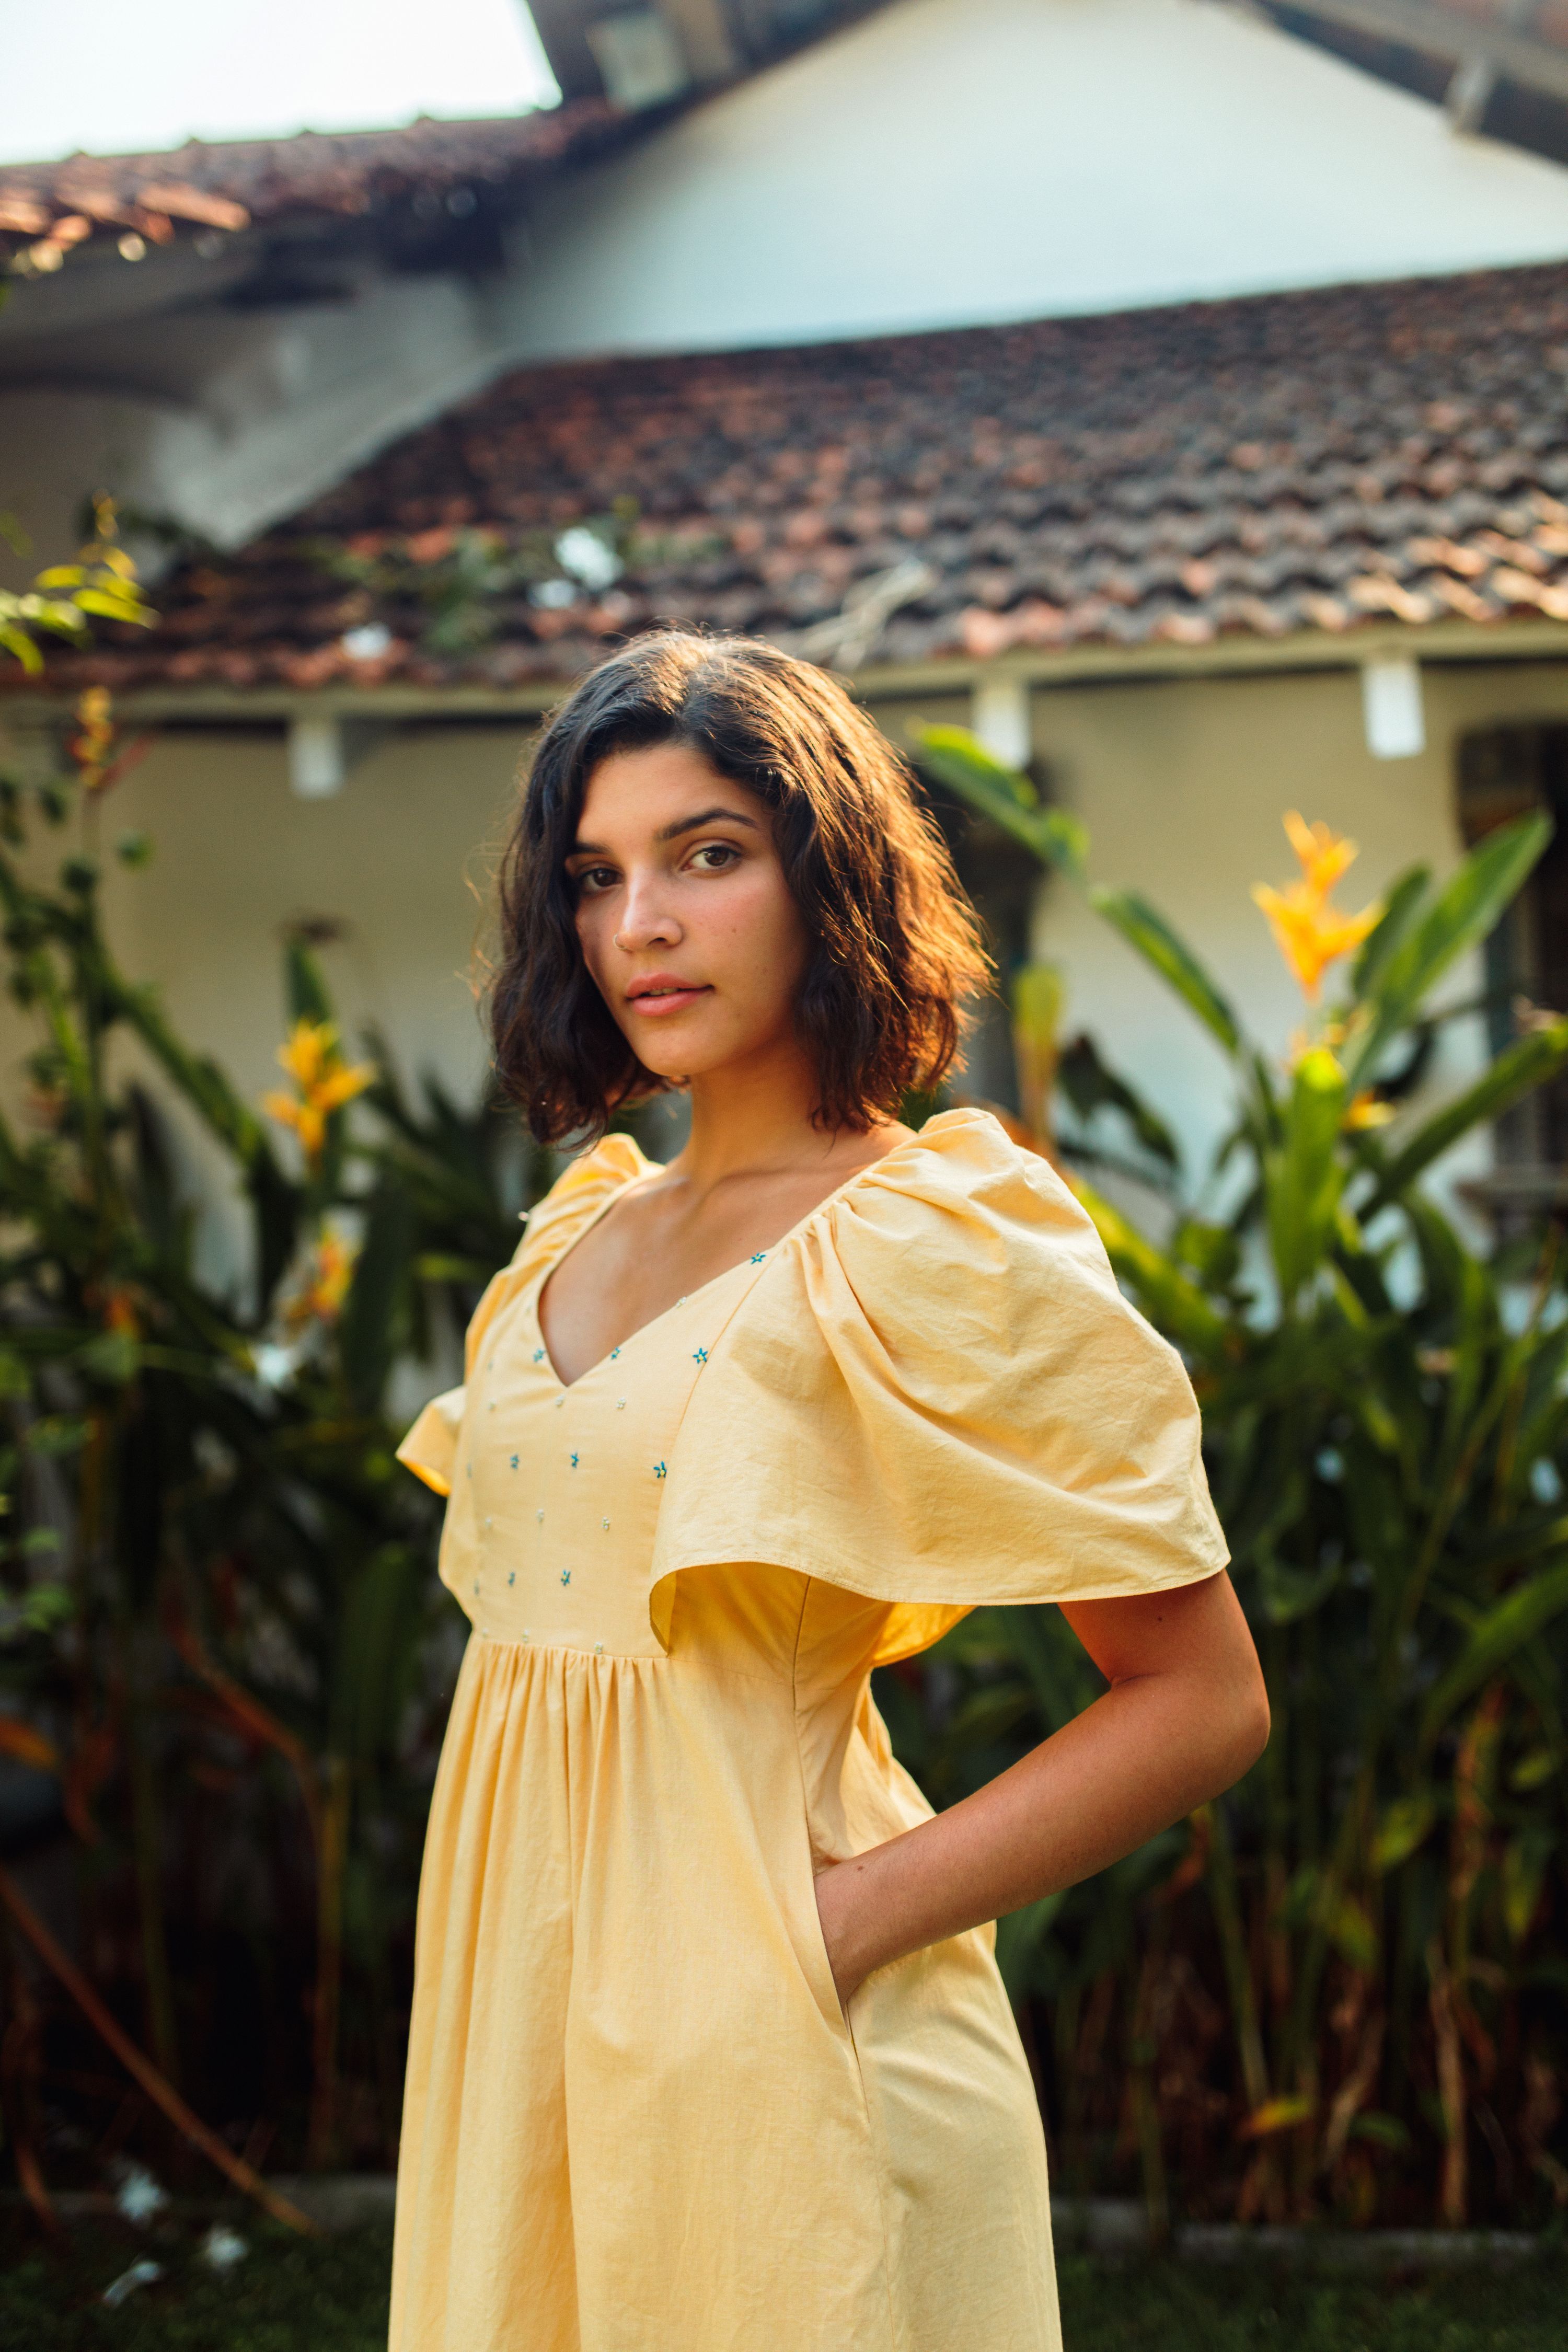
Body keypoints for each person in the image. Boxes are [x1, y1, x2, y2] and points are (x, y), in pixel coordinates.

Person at [389, 632, 1269, 2352]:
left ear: (826, 876)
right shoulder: (581, 1228)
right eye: (598, 874)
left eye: (707, 853)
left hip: (795, 2047)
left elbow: (1204, 1698)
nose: (640, 920)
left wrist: (838, 1921)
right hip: (521, 2030)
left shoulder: (922, 1236)